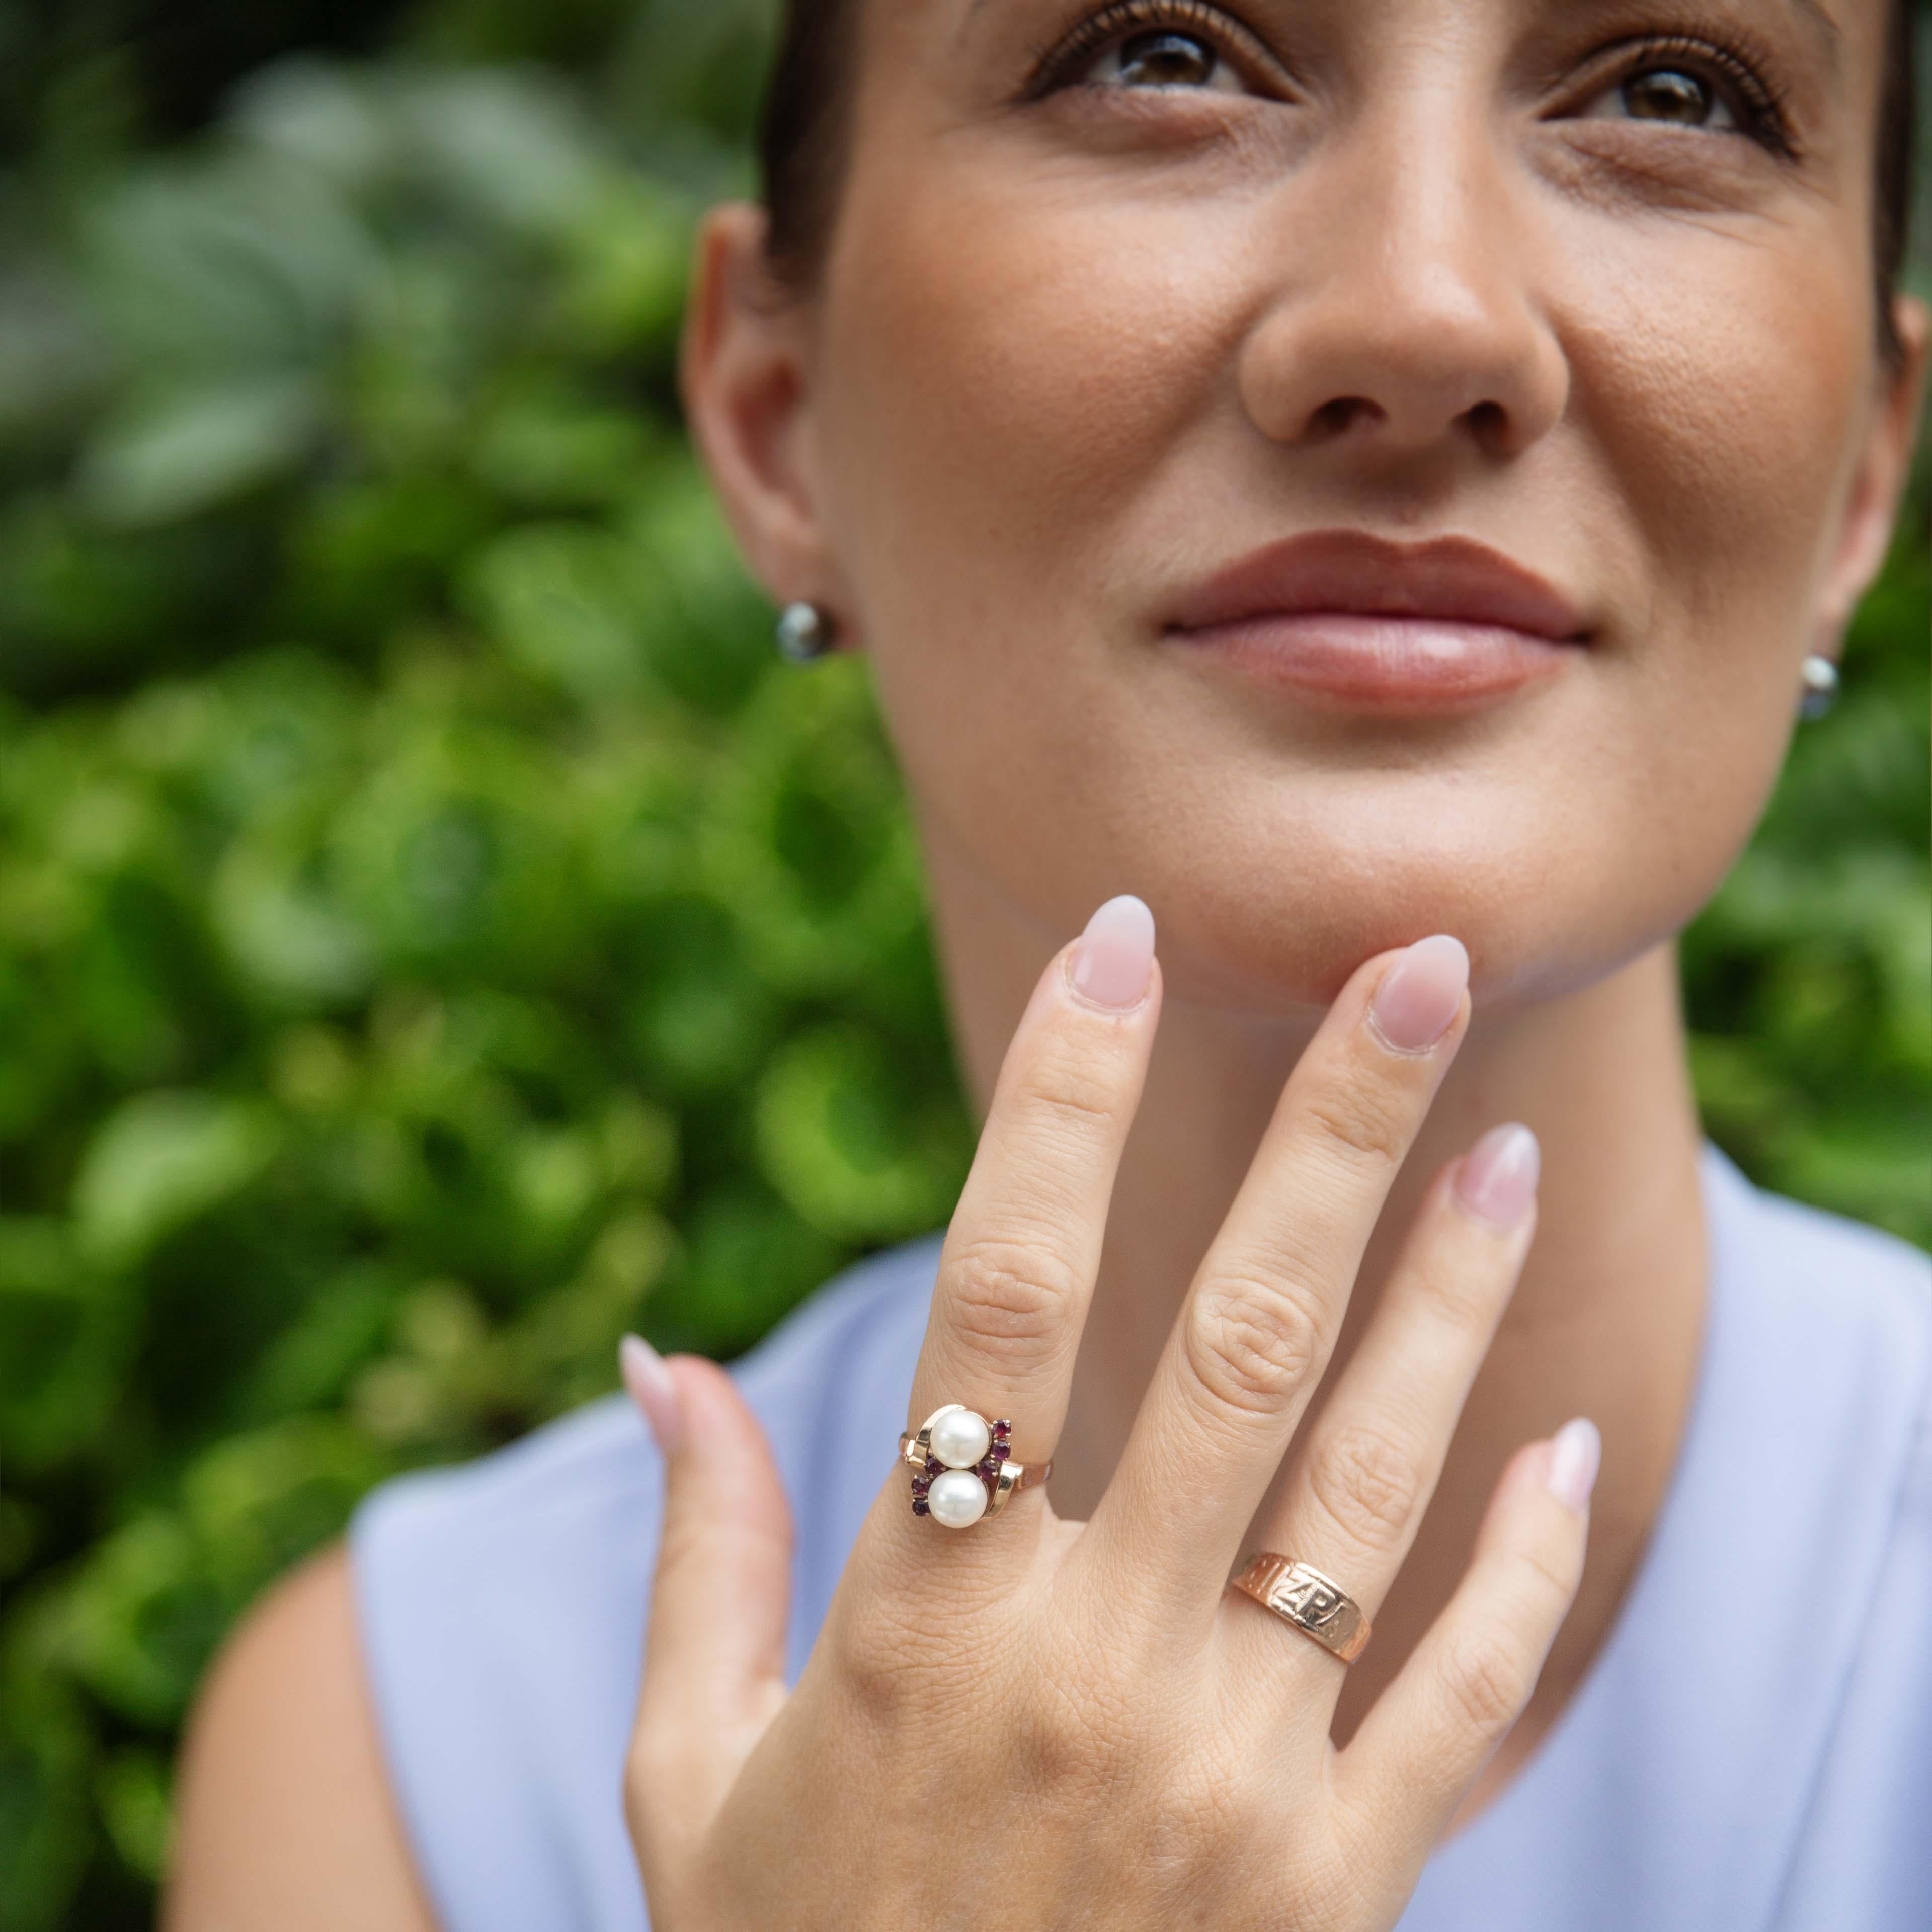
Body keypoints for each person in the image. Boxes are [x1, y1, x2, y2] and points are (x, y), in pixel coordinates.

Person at [163, 0, 1930, 1926]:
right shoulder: (402, 1766)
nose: (1428, 318)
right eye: (1162, 58)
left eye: (1676, 96)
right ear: (777, 415)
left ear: (1862, 479)